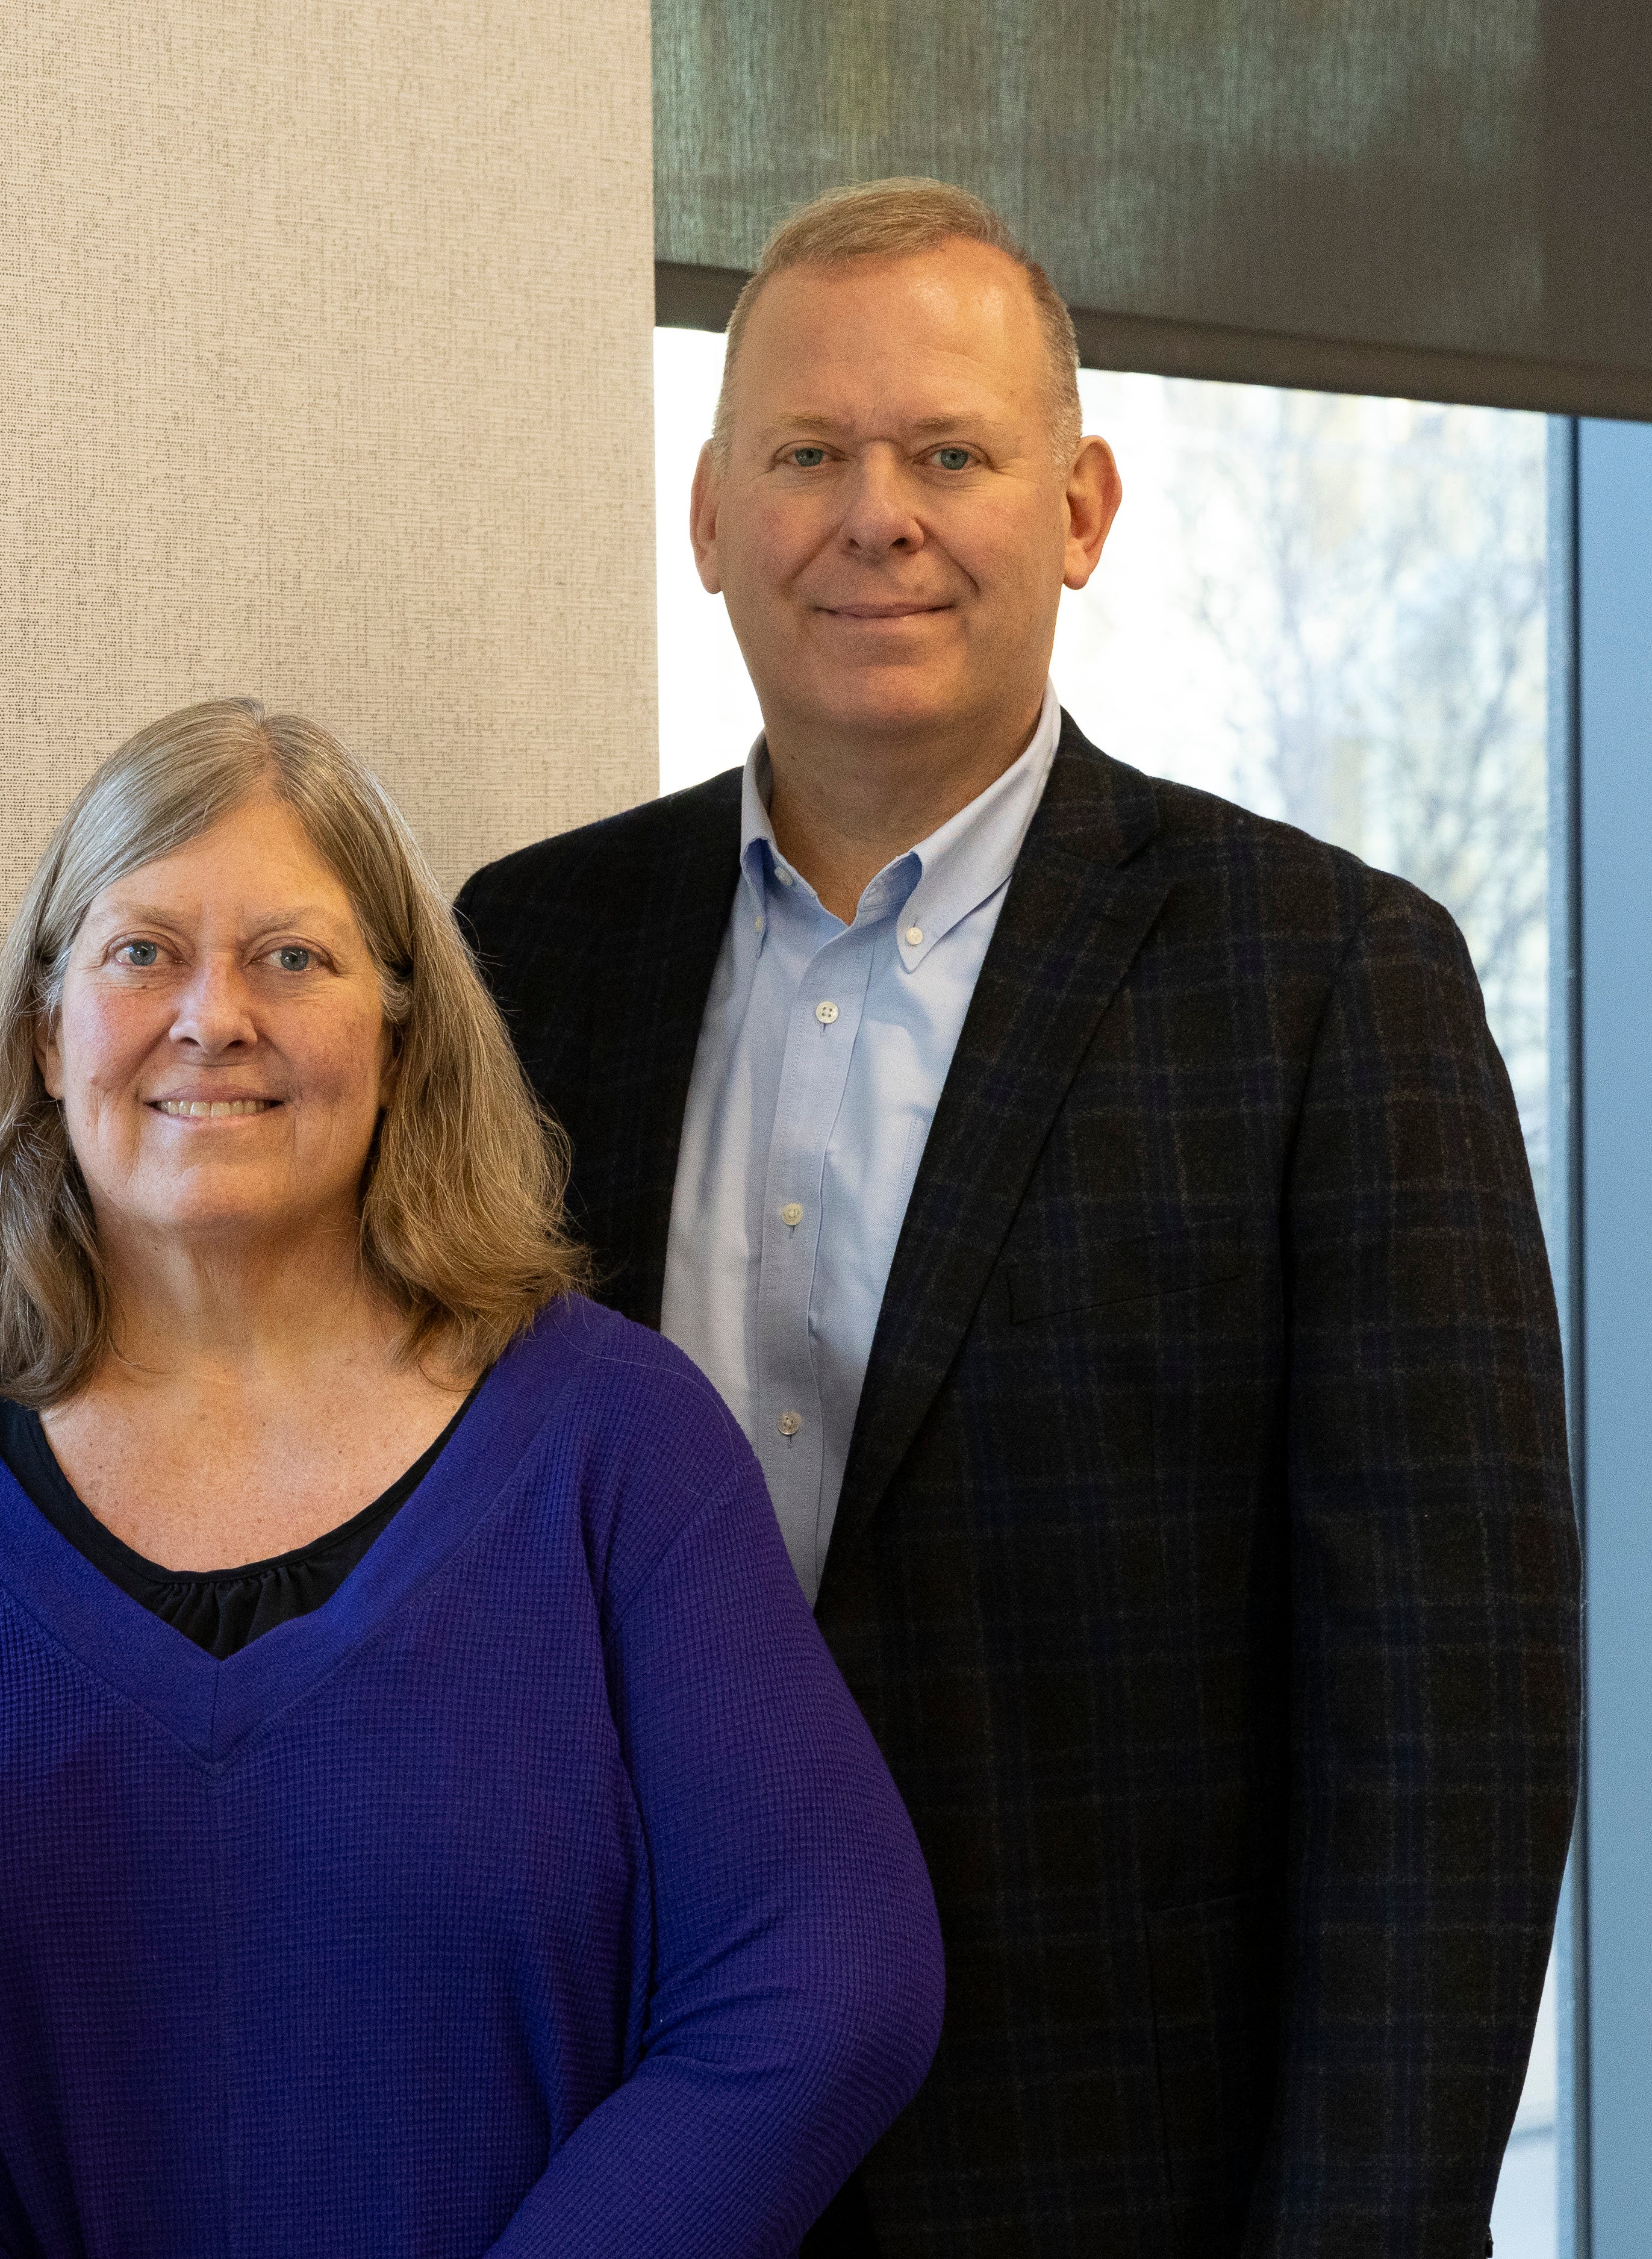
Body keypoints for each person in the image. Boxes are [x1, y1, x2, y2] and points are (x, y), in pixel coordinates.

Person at [456, 179, 1580, 2255]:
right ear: (708, 516)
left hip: (1116, 2188)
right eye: (807, 454)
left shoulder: (1326, 983)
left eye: (948, 455)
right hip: (626, 2167)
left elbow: (1451, 1734)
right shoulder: (524, 960)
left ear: (1077, 509)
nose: (872, 514)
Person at [0, 698, 943, 2257]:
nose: (212, 1015)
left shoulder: (618, 1451)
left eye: (291, 958)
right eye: (141, 953)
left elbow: (824, 1983)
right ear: (46, 1035)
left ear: (399, 1028)